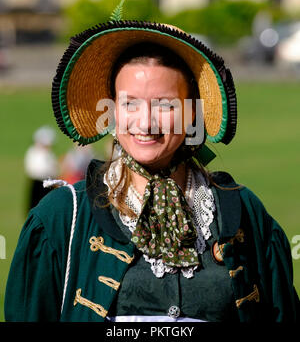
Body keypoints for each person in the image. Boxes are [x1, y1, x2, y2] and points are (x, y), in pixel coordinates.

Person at [5, 19, 299, 322]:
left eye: (165, 105)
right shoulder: (61, 217)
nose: (146, 123)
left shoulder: (244, 213)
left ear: (192, 112)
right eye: (130, 103)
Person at [24, 125, 58, 211]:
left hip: (48, 183)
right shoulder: (34, 152)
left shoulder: (49, 154)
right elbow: (34, 170)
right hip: (38, 182)